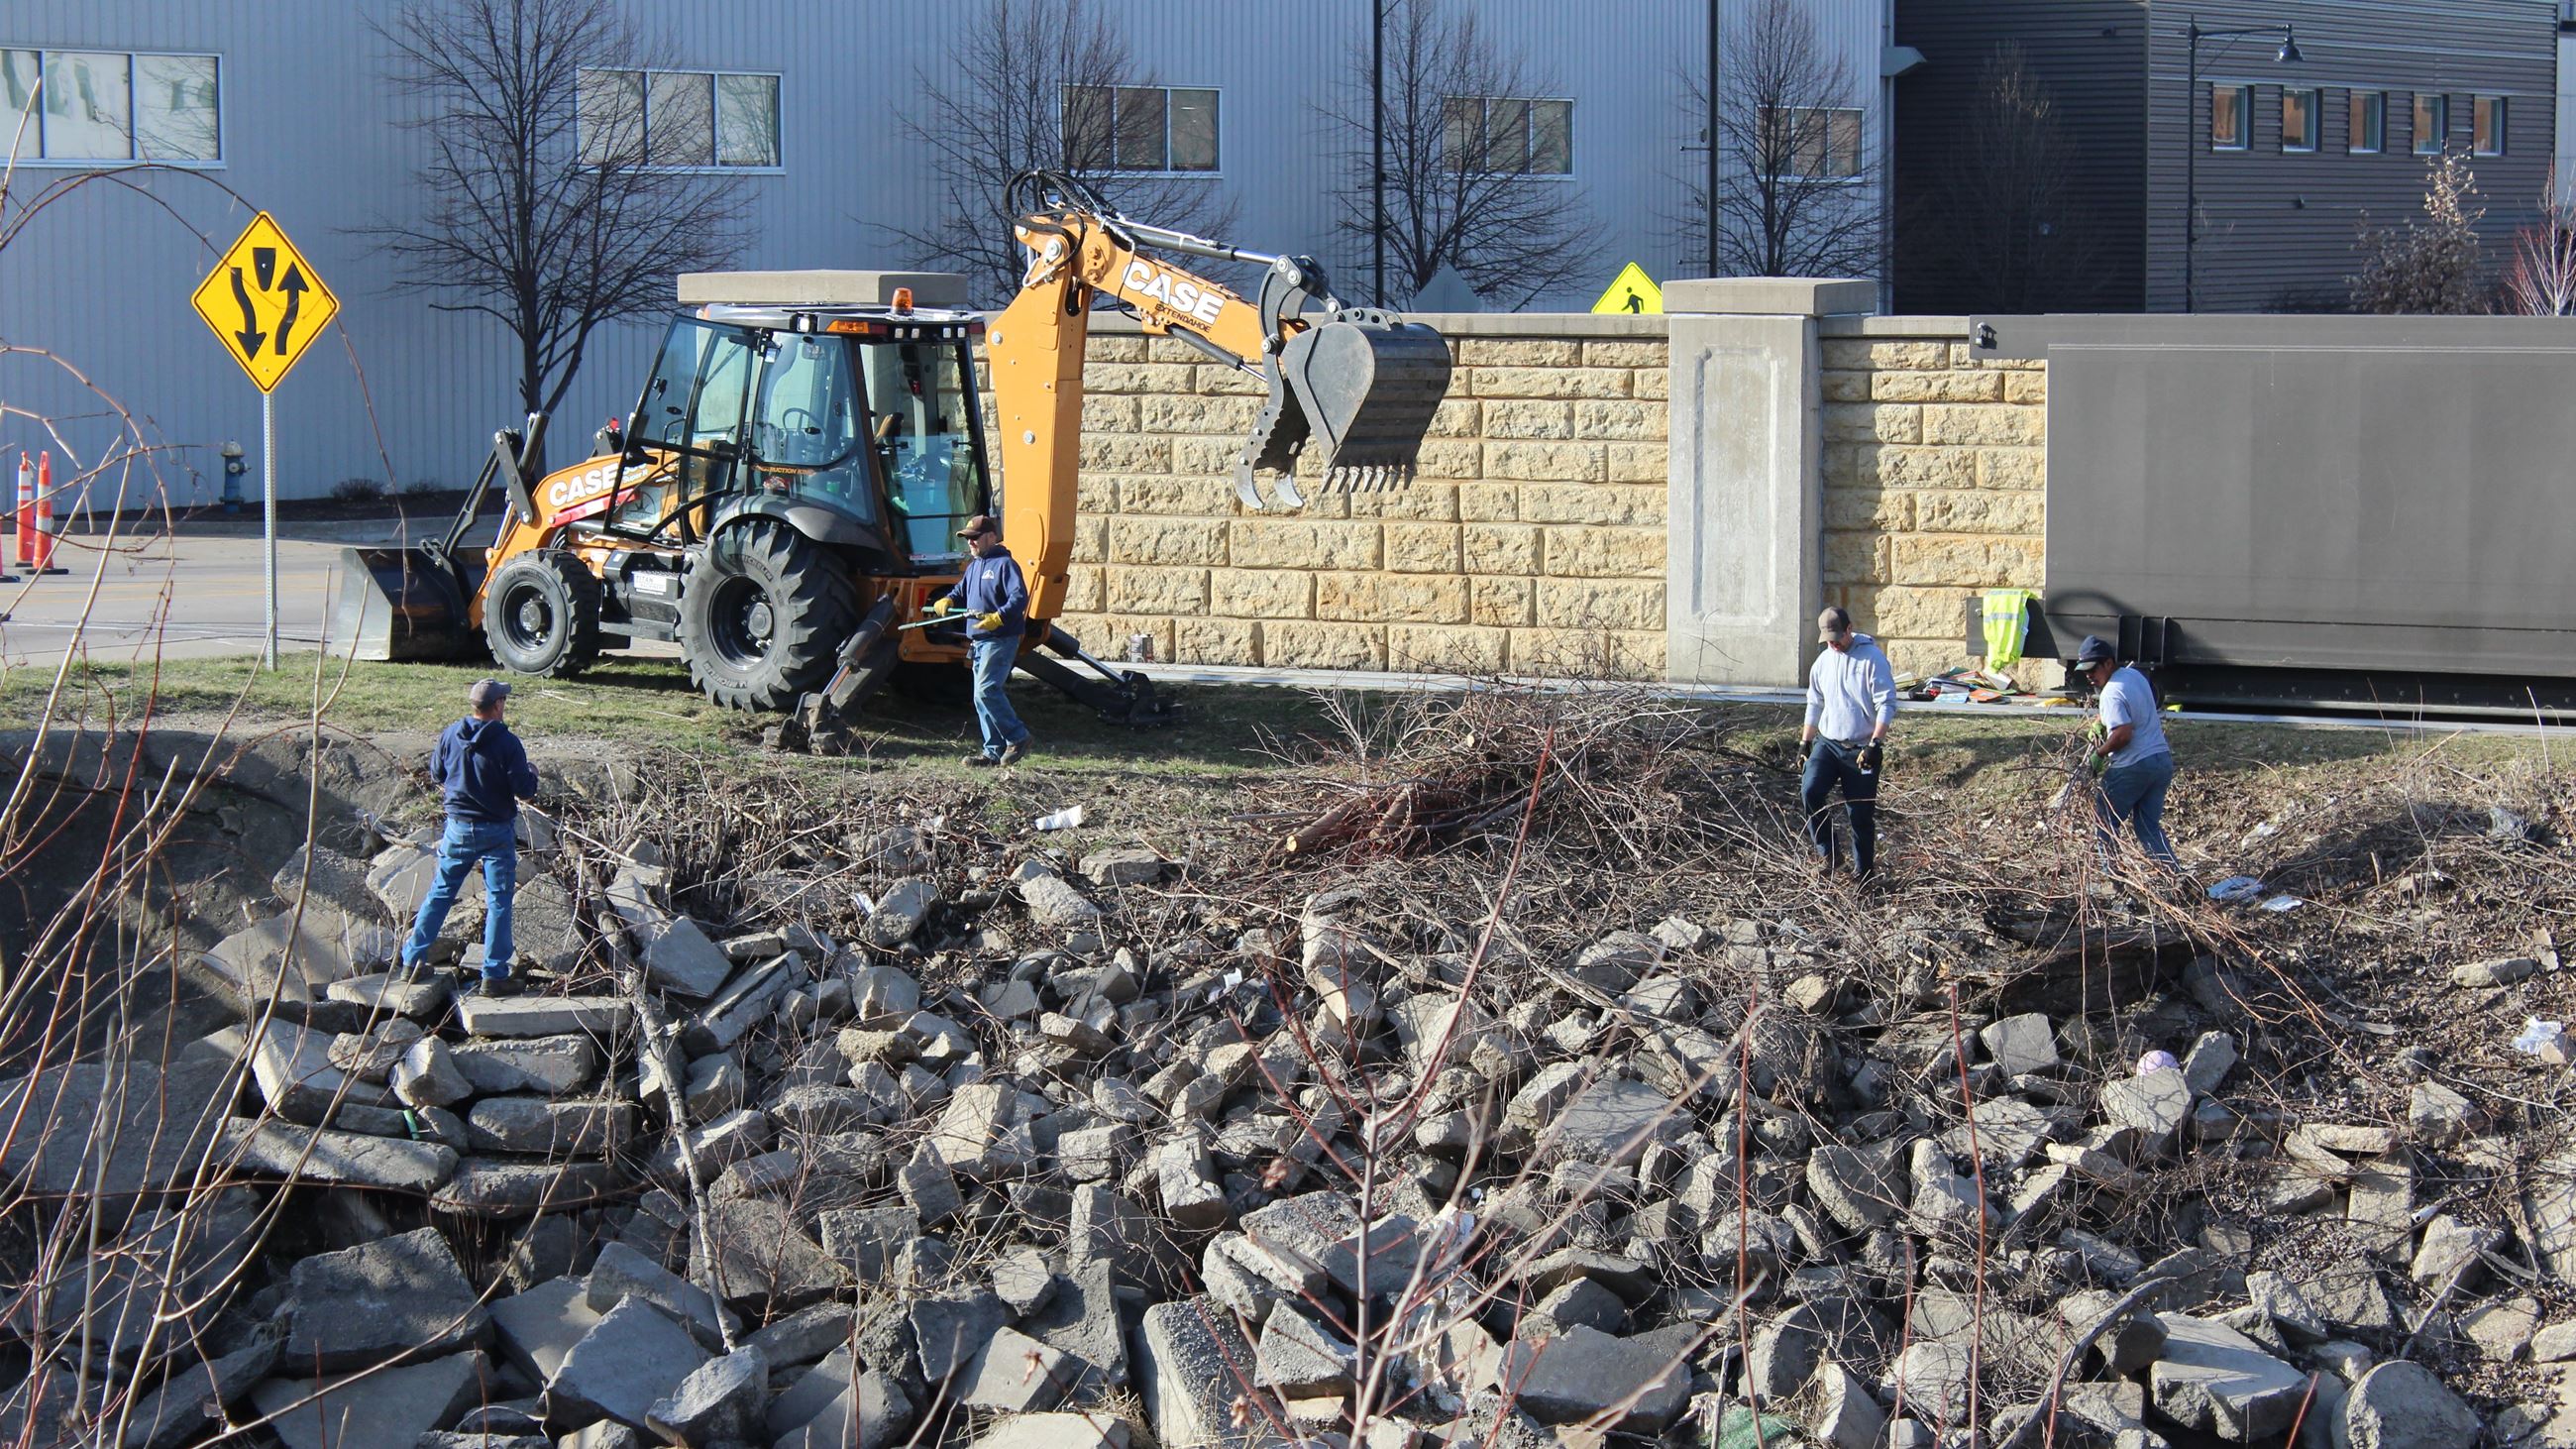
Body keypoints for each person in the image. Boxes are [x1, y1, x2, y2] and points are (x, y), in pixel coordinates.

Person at [401, 679, 539, 995]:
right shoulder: (508, 743)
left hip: (458, 828)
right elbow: (525, 790)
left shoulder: (450, 734)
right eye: (504, 700)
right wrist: (533, 774)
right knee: (499, 900)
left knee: (440, 892)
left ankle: (411, 962)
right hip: (496, 830)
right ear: (498, 705)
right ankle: (493, 976)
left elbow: (436, 774)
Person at [1799, 607, 1896, 878]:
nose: (1834, 643)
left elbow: (1886, 703)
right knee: (1810, 791)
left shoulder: (1872, 659)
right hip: (1828, 744)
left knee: (1860, 814)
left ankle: (1863, 875)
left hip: (1861, 748)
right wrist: (1805, 742)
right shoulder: (1823, 662)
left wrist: (1875, 744)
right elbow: (1814, 702)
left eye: (1838, 637)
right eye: (1829, 639)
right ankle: (1830, 854)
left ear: (1849, 629)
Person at [930, 513, 1032, 767]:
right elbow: (961, 589)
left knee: (987, 690)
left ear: (991, 537)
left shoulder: (1005, 564)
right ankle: (992, 753)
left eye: (975, 538)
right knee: (979, 696)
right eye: (968, 539)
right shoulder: (975, 565)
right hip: (979, 639)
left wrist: (999, 617)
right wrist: (949, 599)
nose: (971, 543)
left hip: (1000, 637)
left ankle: (1018, 737)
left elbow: (1019, 597)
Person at [2077, 635, 2180, 870]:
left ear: (2108, 663)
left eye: (2092, 669)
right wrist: (2102, 721)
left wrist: (2099, 754)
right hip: (2161, 762)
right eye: (2084, 670)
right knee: (2147, 827)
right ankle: (2176, 878)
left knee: (2104, 823)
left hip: (2133, 766)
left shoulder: (2110, 693)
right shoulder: (2134, 676)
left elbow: (2123, 734)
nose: (2088, 675)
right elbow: (2136, 705)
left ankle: (2115, 884)